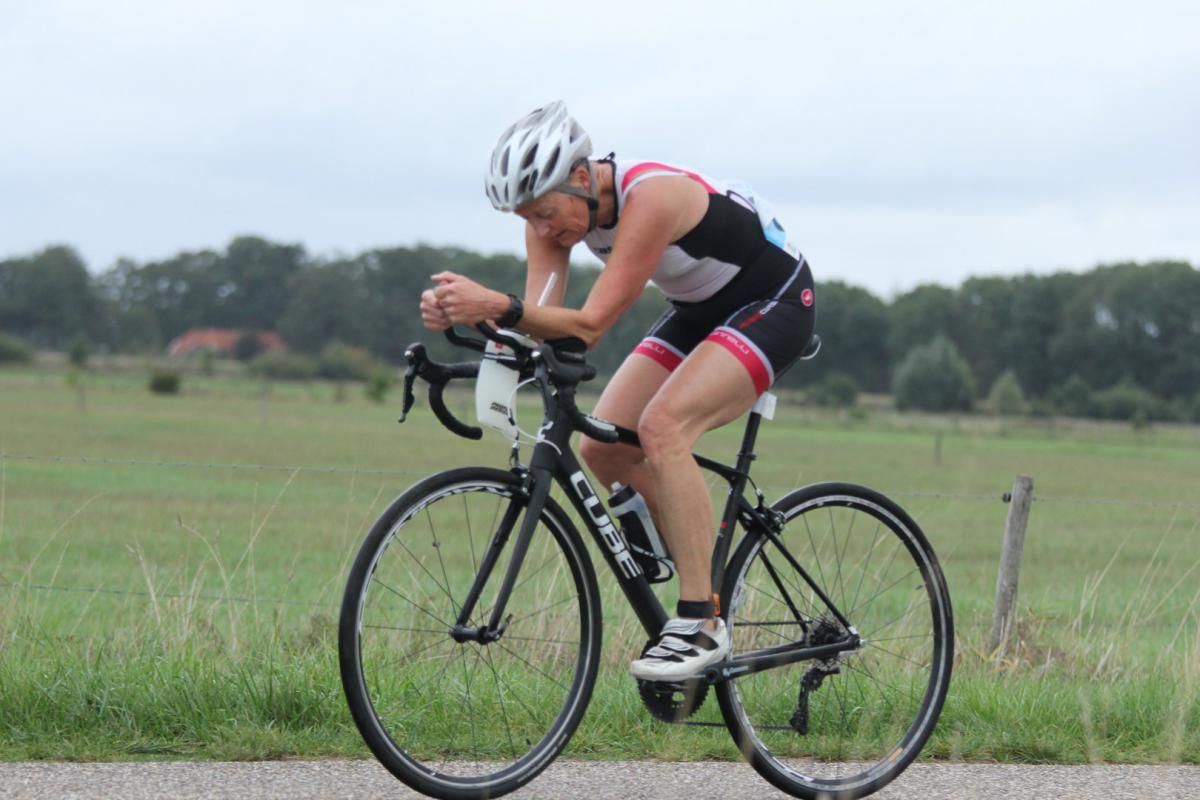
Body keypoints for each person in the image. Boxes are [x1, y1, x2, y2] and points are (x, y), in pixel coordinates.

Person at [420, 101, 816, 682]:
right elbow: (539, 321)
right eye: (527, 219)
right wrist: (471, 321)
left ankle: (702, 621)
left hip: (774, 303)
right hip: (699, 310)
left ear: (582, 177)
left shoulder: (652, 198)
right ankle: (695, 566)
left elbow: (589, 326)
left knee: (662, 428)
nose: (542, 231)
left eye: (545, 213)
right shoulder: (554, 217)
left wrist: (497, 304)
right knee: (604, 447)